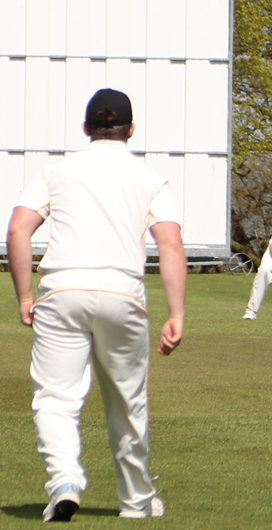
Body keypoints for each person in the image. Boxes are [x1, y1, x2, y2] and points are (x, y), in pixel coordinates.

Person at [7, 88, 184, 521]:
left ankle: (65, 482)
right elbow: (171, 244)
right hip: (122, 294)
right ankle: (137, 502)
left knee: (56, 398)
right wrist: (176, 314)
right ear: (131, 130)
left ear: (87, 129)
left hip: (62, 292)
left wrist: (26, 295)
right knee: (128, 401)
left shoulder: (57, 172)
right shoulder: (149, 177)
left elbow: (17, 231)